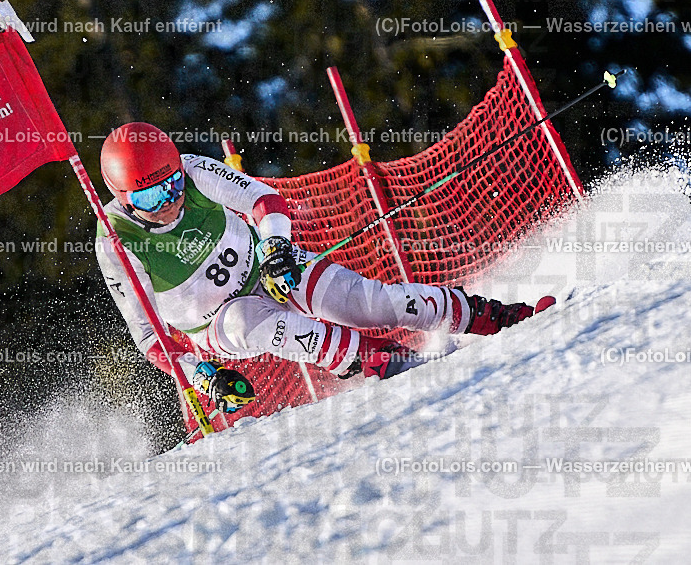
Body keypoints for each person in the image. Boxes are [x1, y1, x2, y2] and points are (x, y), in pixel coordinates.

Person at [95, 122, 548, 414]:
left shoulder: (194, 171)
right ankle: (381, 362)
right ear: (123, 197)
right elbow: (149, 335)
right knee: (252, 321)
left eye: (171, 183)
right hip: (216, 325)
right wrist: (202, 376)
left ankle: (500, 317)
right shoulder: (116, 243)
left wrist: (276, 250)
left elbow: (264, 200)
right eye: (151, 198)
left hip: (266, 266)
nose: (170, 201)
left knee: (373, 302)